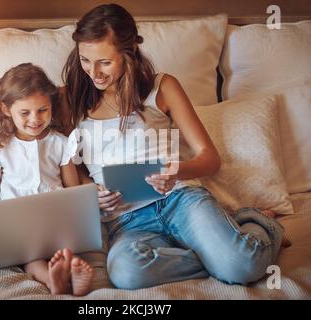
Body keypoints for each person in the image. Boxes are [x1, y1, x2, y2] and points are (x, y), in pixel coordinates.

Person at [60, 3, 286, 290]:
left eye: (104, 62)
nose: (94, 73)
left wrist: (175, 171)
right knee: (126, 273)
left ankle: (259, 224)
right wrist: (90, 192)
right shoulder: (72, 100)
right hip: (127, 220)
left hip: (180, 200)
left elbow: (210, 159)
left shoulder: (162, 87)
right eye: (85, 60)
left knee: (242, 266)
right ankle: (218, 251)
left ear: (128, 52)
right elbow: (71, 168)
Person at [0, 63, 93, 295]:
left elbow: (72, 189)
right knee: (30, 257)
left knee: (64, 249)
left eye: (43, 110)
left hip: (54, 219)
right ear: (6, 109)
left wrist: (90, 194)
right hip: (18, 226)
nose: (35, 119)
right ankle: (53, 279)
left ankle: (69, 273)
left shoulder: (61, 143)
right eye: (25, 112)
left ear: (52, 107)